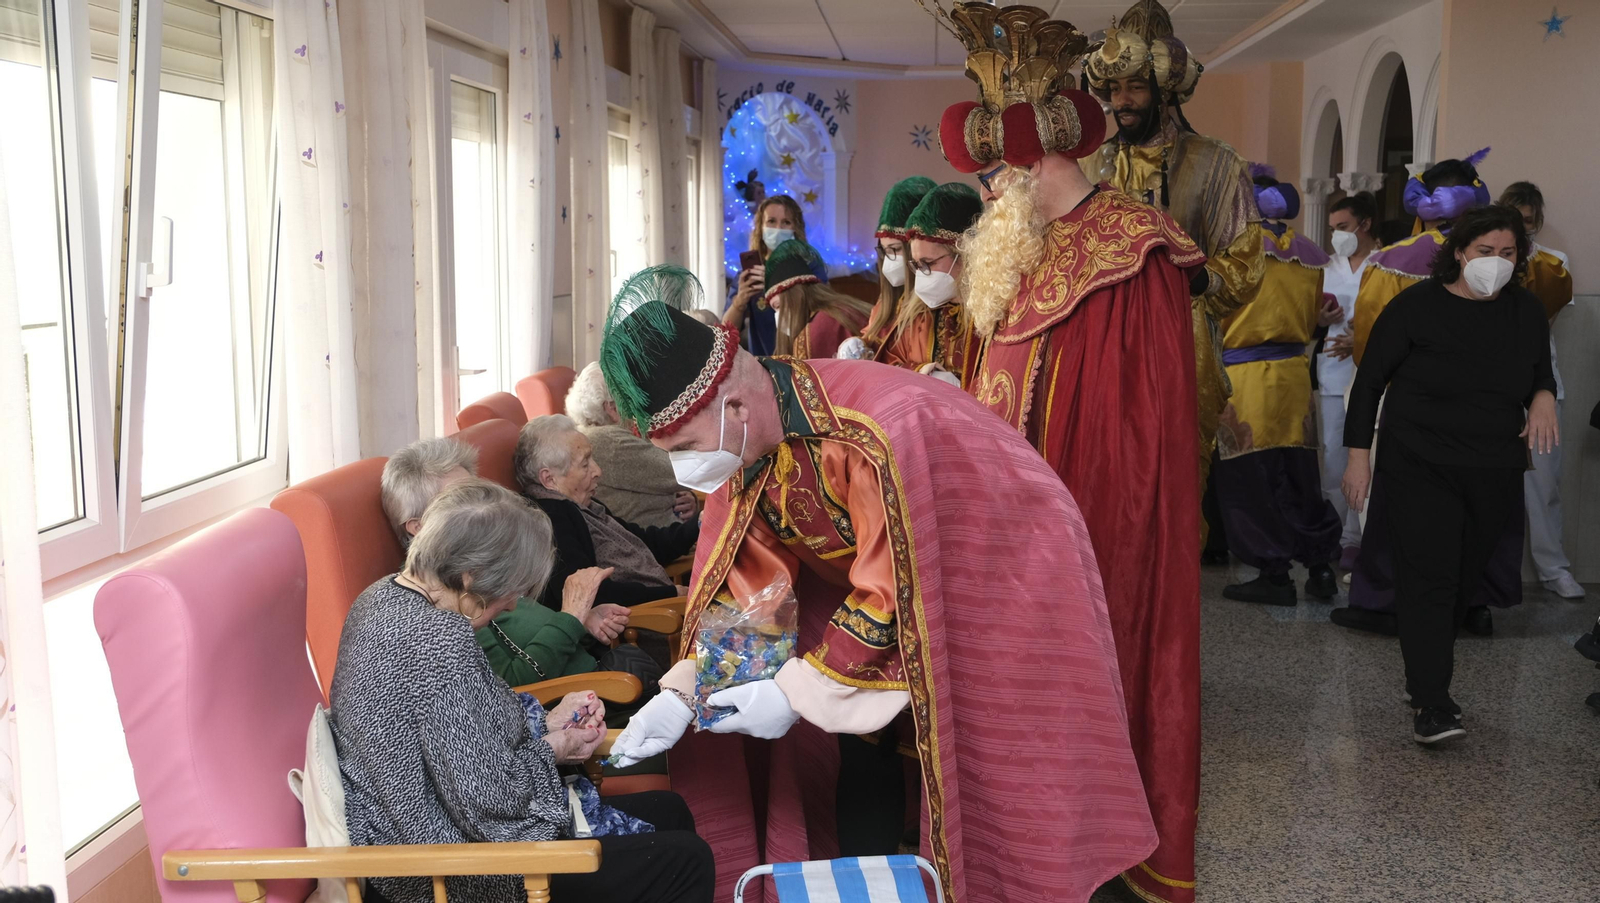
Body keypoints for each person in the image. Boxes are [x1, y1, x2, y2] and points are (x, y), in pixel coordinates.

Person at [599, 266, 1156, 903]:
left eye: (686, 446)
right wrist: (689, 688)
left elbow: (895, 595)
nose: (685, 469)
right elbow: (755, 590)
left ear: (730, 405)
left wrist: (794, 693)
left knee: (1008, 774)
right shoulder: (749, 442)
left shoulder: (872, 433)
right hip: (892, 585)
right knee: (861, 742)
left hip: (1012, 571)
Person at [934, 6, 1203, 898]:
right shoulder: (1023, 250)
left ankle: (1090, 848)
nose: (982, 198)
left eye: (989, 178)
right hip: (1013, 534)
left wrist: (1064, 533)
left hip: (1085, 533)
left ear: (1029, 165)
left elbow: (1140, 441)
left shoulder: (1133, 254)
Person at [331, 479, 714, 903]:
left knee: (670, 812)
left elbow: (458, 728)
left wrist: (544, 719)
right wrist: (556, 746)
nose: (513, 604)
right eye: (511, 589)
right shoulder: (440, 640)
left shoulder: (380, 596)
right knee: (687, 860)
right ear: (470, 577)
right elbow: (492, 805)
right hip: (443, 870)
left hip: (413, 835)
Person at [1341, 204, 1557, 745]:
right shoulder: (1415, 307)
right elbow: (1369, 383)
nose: (1497, 263)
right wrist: (1358, 457)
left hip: (1493, 466)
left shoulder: (1525, 311)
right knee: (1430, 580)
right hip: (1419, 463)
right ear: (1459, 252)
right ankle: (1432, 703)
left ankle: (1425, 678)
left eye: (1508, 254)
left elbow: (1539, 370)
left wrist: (1545, 397)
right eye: (1486, 252)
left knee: (1463, 579)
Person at [1333, 152, 1524, 636]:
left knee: (1409, 514)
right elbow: (1542, 316)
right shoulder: (1521, 258)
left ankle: (1388, 601)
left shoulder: (1393, 260)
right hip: (1495, 411)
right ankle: (1476, 603)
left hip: (1414, 415)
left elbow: (1369, 346)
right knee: (1485, 514)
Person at [1083, 0, 1265, 505]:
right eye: (1115, 88)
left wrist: (1192, 276)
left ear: (1166, 93)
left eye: (1136, 87)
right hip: (1103, 347)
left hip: (1184, 348)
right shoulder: (1095, 165)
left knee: (1176, 493)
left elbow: (1247, 265)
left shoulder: (1218, 163)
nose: (1122, 100)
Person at [379, 437, 622, 686]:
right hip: (580, 699)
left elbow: (541, 634)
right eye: (460, 501)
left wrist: (582, 620)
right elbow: (510, 686)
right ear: (420, 528)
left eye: (478, 494)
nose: (485, 509)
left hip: (594, 677)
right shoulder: (450, 599)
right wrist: (571, 618)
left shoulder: (484, 567)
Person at [1213, 169, 1342, 605]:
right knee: (1301, 476)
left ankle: (1273, 572)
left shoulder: (1232, 252)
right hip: (1293, 376)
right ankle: (1321, 566)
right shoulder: (1308, 253)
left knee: (1251, 478)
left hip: (1246, 380)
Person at [513, 415, 695, 615]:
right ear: (549, 479)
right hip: (646, 620)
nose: (598, 471)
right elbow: (592, 594)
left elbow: (643, 542)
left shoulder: (582, 504)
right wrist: (669, 594)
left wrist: (697, 526)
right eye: (585, 464)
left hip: (662, 604)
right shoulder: (550, 522)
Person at [1501, 181, 1585, 600]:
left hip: (1541, 385)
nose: (1523, 229)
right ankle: (1492, 571)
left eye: (1529, 222)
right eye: (1516, 220)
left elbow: (1542, 324)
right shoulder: (1486, 257)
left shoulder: (1554, 264)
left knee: (1544, 484)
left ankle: (1554, 568)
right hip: (1490, 387)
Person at [860, 181, 985, 389]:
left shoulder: (994, 314)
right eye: (916, 265)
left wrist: (965, 387)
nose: (921, 275)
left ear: (965, 255)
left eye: (928, 263)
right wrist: (923, 372)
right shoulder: (918, 312)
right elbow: (891, 364)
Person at [1318, 192, 1380, 570]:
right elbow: (1312, 316)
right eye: (1333, 229)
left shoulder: (1388, 264)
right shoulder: (1327, 267)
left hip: (1372, 377)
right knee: (1332, 459)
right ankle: (1337, 538)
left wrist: (1360, 341)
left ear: (1365, 224)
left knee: (1369, 459)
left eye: (1343, 227)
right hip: (1332, 373)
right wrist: (1321, 322)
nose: (1337, 236)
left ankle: (1365, 540)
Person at [566, 362, 698, 529]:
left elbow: (664, 477)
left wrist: (691, 499)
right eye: (631, 396)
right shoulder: (610, 442)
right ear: (612, 408)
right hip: (661, 543)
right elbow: (690, 471)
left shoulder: (593, 432)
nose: (639, 403)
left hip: (669, 534)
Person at [858, 175, 936, 355]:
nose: (889, 261)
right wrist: (860, 343)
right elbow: (875, 336)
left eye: (895, 249)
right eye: (884, 251)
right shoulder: (888, 301)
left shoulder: (932, 306)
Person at [762, 238, 871, 359]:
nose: (778, 316)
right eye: (775, 310)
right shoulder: (837, 311)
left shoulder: (822, 325)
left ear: (797, 296)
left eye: (778, 306)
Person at [724, 195, 806, 354]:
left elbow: (819, 321)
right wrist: (739, 302)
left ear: (796, 229)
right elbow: (726, 331)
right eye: (771, 221)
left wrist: (774, 286)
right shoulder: (750, 273)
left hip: (802, 361)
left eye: (786, 222)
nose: (778, 229)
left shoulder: (808, 270)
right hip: (762, 365)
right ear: (760, 228)